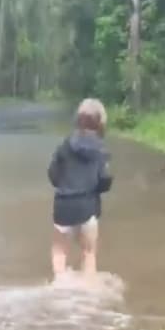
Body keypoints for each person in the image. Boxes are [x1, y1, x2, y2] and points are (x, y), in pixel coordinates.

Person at [47, 98, 113, 281]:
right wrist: (96, 189)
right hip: (88, 207)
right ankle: (88, 290)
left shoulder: (65, 145)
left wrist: (64, 185)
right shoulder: (101, 151)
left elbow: (53, 174)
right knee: (89, 252)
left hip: (62, 207)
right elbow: (105, 180)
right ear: (100, 123)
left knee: (59, 251)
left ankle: (60, 284)